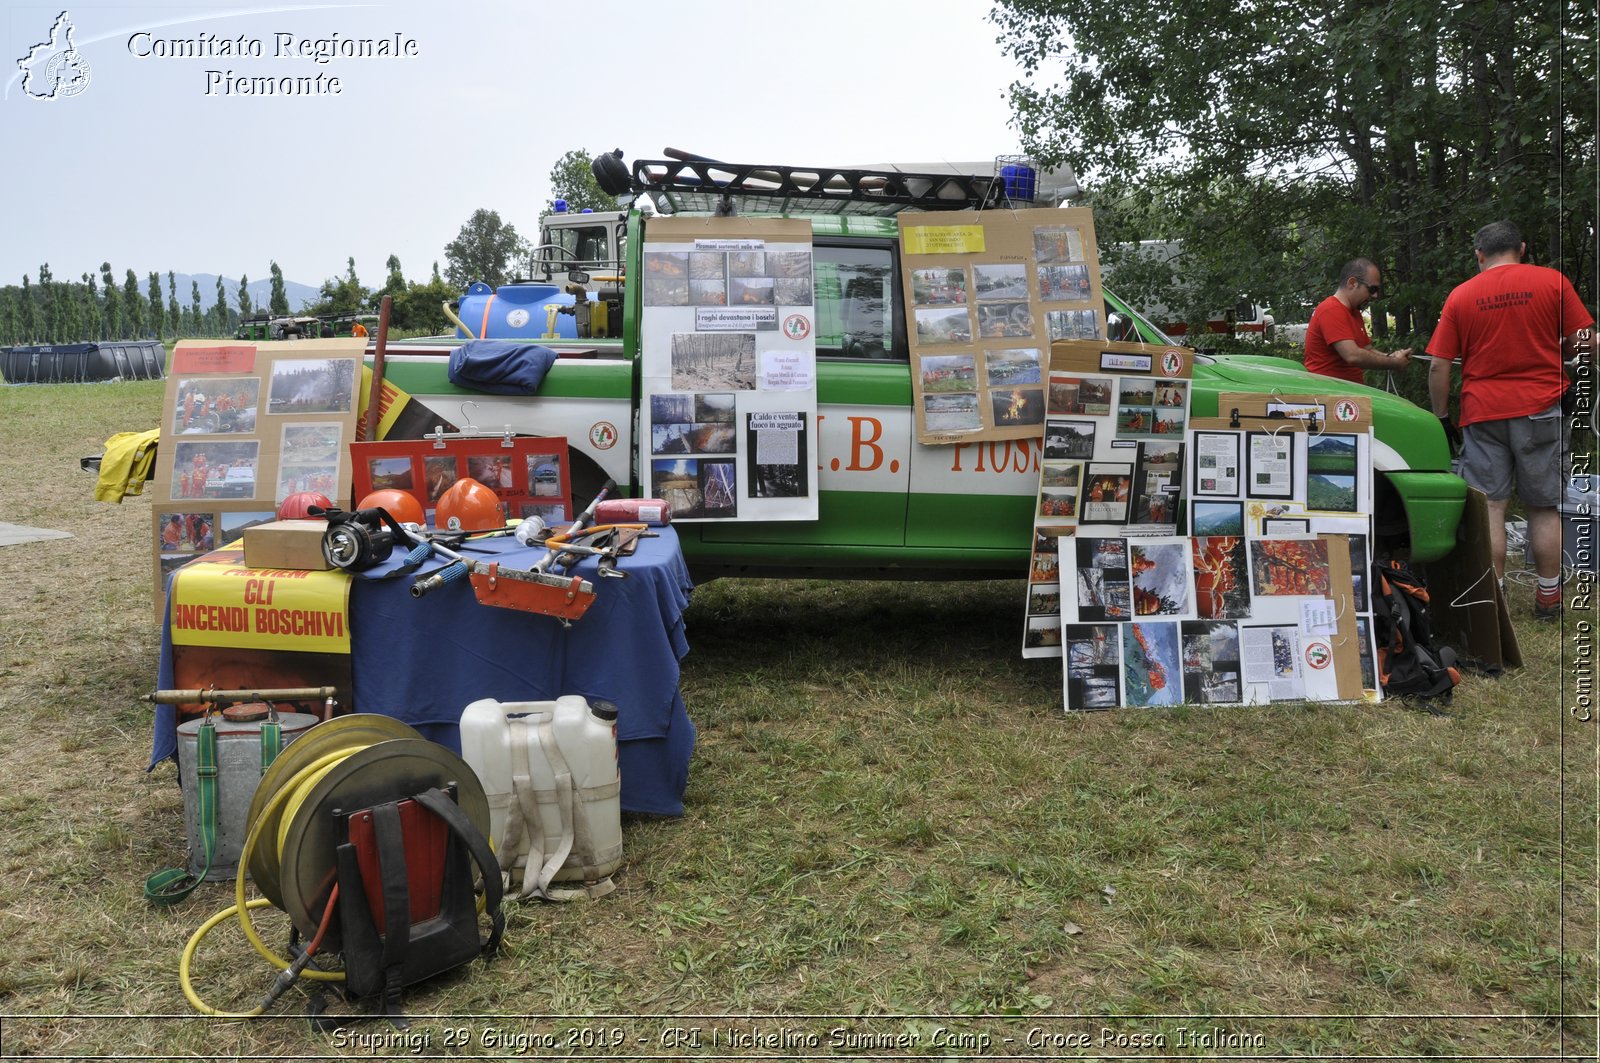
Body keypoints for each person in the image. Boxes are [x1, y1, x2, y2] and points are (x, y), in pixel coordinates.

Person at [1427, 220, 1594, 619]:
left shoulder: (1462, 296)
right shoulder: (1552, 282)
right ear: (1521, 247)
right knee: (1544, 507)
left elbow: (1438, 365)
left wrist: (1442, 417)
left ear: (1479, 255)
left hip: (1483, 412)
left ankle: (1493, 599)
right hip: (1541, 407)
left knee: (1491, 507)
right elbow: (1585, 341)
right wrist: (1578, 362)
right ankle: (1549, 597)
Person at [1303, 258, 1413, 382]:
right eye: (1372, 289)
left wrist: (1392, 357)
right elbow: (1353, 355)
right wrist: (1393, 363)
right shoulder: (1331, 309)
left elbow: (1368, 350)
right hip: (1329, 394)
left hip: (1347, 395)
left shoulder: (1353, 312)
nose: (1375, 296)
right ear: (1352, 283)